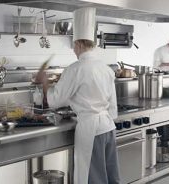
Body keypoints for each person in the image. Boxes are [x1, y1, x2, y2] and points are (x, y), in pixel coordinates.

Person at [35, 7, 120, 184]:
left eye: (74, 45)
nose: (74, 49)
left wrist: (45, 83)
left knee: (93, 178)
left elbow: (55, 100)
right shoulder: (106, 68)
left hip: (91, 130)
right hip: (108, 127)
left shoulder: (75, 69)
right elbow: (113, 106)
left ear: (79, 44)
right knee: (112, 178)